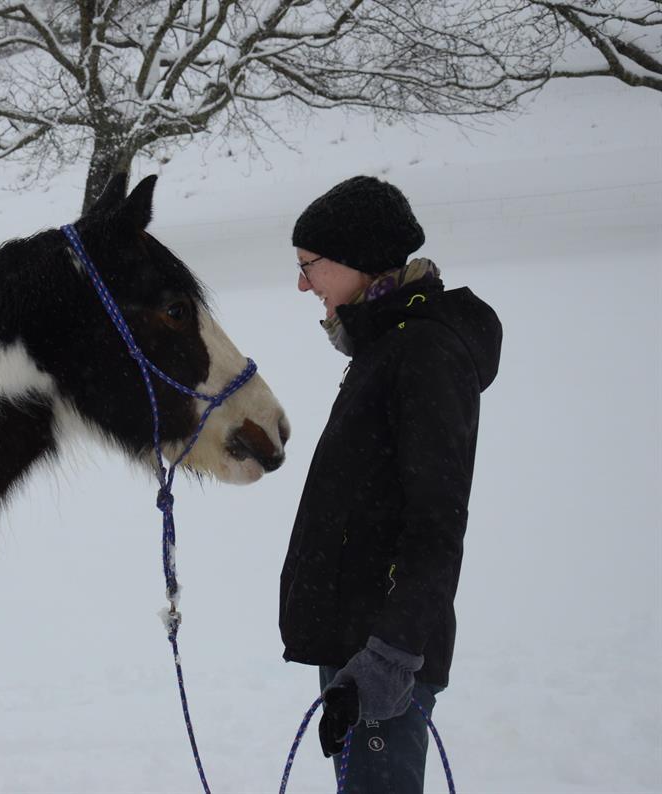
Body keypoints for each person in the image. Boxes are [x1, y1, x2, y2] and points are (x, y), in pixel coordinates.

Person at [280, 175, 502, 793]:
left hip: (383, 656)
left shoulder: (424, 352)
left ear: (354, 259)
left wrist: (390, 656)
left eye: (310, 265)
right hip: (357, 647)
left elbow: (436, 521)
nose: (303, 284)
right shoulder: (385, 345)